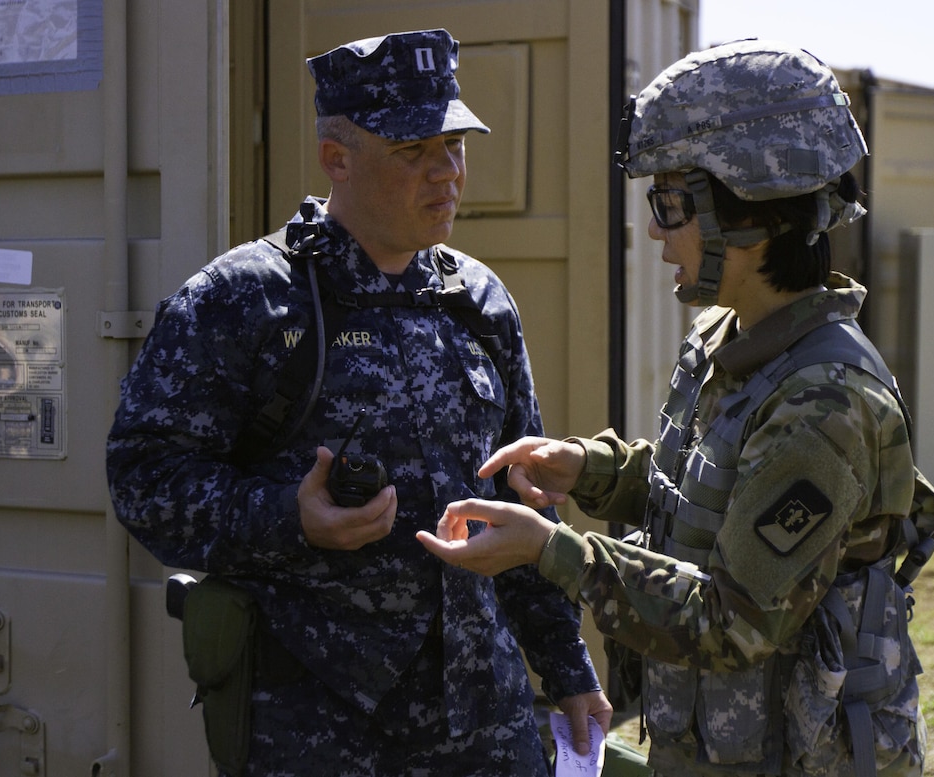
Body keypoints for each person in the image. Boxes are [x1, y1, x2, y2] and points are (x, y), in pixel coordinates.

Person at [418, 38, 934, 776]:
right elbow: (703, 490)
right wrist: (589, 468)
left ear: (754, 212)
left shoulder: (825, 407)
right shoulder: (730, 339)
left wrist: (550, 549)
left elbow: (734, 622)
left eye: (673, 203)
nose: (657, 229)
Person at [107, 28, 610, 777]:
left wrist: (566, 666)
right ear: (336, 159)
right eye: (413, 152)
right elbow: (143, 477)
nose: (446, 175)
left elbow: (523, 501)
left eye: (455, 146)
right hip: (320, 726)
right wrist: (289, 517)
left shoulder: (479, 301)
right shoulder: (244, 299)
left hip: (483, 718)